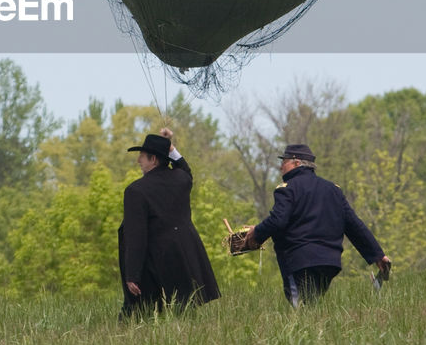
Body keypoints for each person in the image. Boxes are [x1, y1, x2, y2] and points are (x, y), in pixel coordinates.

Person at [244, 144, 392, 307]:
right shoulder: (333, 190)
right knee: (310, 306)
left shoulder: (287, 189)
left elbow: (277, 220)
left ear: (296, 163)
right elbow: (354, 225)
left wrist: (256, 234)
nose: (280, 167)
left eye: (284, 161)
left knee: (299, 308)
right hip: (329, 263)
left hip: (299, 261)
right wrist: (378, 255)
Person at [117, 127, 220, 317]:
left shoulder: (135, 191)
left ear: (153, 159)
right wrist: (170, 147)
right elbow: (184, 168)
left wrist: (132, 275)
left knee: (140, 316)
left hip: (154, 264)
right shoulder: (181, 179)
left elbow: (136, 236)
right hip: (184, 256)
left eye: (142, 156)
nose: (138, 160)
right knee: (185, 310)